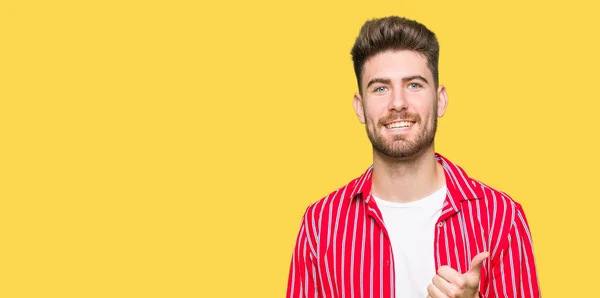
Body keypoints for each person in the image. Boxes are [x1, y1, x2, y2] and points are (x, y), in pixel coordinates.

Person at [286, 16, 540, 298]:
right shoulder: (321, 226)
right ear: (360, 107)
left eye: (414, 85)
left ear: (440, 100)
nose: (397, 103)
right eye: (380, 88)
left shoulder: (501, 219)